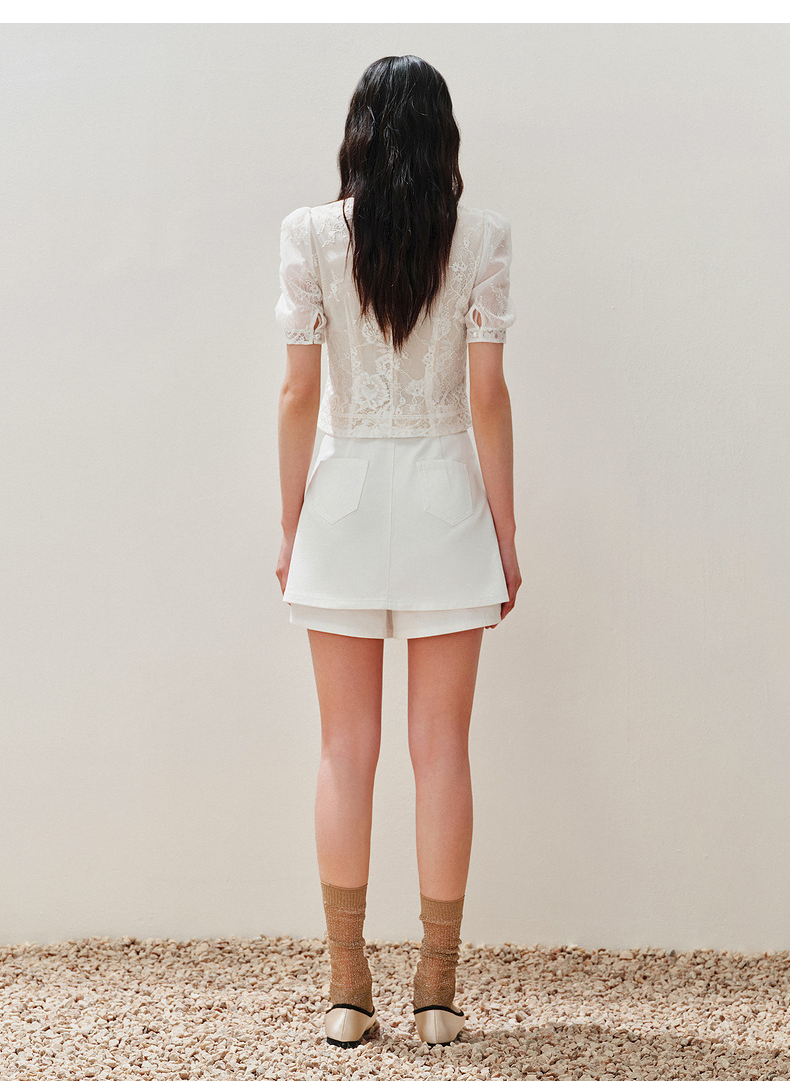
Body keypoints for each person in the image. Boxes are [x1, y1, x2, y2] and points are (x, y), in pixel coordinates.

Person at [274, 54, 521, 1049]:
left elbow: (297, 393)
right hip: (445, 505)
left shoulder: (308, 234)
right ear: (442, 136)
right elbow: (488, 396)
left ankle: (348, 993)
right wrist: (506, 531)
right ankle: (436, 996)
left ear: (359, 134)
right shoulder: (483, 237)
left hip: (341, 506)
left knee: (344, 749)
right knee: (441, 750)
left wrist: (288, 522)